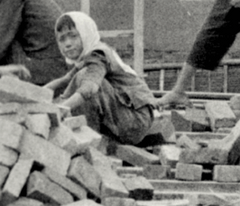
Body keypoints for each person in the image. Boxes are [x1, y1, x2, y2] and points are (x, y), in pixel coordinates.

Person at [46, 12, 159, 147]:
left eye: (73, 36)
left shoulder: (97, 55)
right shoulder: (86, 58)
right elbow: (65, 80)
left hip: (135, 120)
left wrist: (64, 107)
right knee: (76, 80)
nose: (67, 44)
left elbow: (90, 88)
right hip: (124, 117)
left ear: (85, 34)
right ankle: (98, 141)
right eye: (62, 39)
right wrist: (33, 95)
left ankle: (91, 146)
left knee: (83, 79)